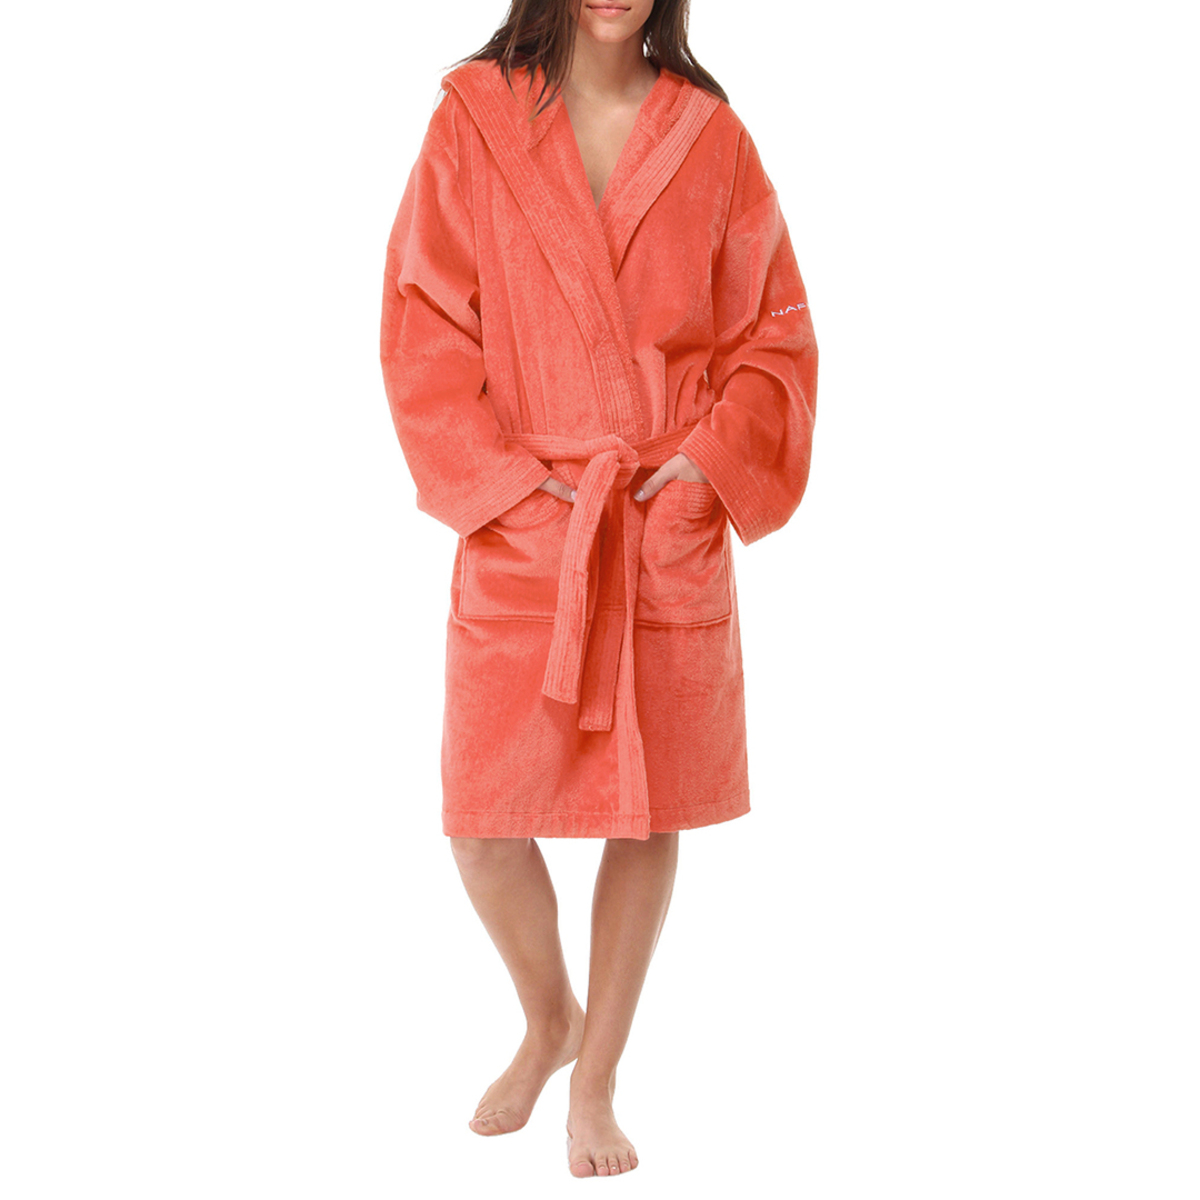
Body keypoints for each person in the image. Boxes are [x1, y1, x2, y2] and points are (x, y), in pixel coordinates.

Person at [379, 0, 817, 1178]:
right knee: (481, 824)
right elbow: (423, 328)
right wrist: (507, 488)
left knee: (646, 809)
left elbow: (775, 334)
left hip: (657, 515)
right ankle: (548, 1018)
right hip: (529, 516)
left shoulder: (711, 135)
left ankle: (598, 1078)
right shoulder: (475, 120)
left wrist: (709, 465)